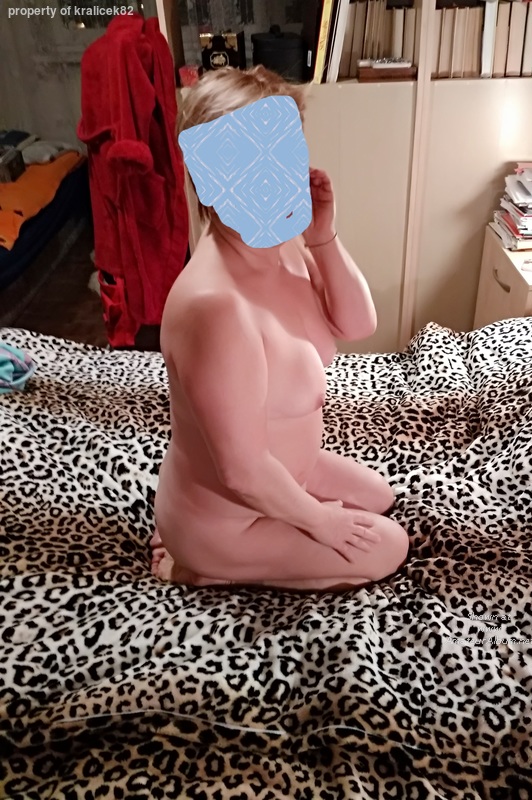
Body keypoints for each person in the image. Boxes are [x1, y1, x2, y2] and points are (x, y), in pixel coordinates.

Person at [151, 66, 409, 591]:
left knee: (379, 496)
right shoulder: (215, 308)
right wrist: (323, 523)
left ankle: (265, 536)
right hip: (226, 519)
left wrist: (323, 236)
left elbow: (357, 323)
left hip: (290, 471)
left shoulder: (282, 243)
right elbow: (242, 470)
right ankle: (200, 567)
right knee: (389, 546)